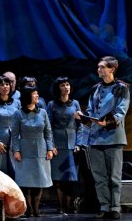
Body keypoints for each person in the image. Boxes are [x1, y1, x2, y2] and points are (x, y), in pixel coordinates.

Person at [82, 56, 130, 219]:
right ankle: (104, 206)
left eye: (102, 67)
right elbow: (90, 109)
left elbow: (121, 111)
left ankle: (115, 206)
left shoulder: (121, 88)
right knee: (99, 176)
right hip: (95, 138)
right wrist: (82, 117)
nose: (99, 70)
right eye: (98, 67)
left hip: (113, 137)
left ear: (112, 69)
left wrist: (107, 122)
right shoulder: (95, 88)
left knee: (114, 176)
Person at [11, 86, 53, 217]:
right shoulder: (18, 113)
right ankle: (28, 209)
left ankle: (36, 208)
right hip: (25, 150)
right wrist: (16, 150)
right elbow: (15, 134)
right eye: (35, 94)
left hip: (40, 148)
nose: (37, 96)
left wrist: (50, 148)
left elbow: (48, 132)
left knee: (39, 180)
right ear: (28, 96)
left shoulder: (43, 112)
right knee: (25, 181)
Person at [46, 76, 85, 214]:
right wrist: (51, 145)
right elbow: (48, 126)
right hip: (57, 144)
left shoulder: (75, 103)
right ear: (58, 88)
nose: (66, 87)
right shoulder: (52, 104)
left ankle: (70, 205)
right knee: (58, 178)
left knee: (70, 178)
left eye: (68, 84)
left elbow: (80, 126)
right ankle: (61, 205)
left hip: (72, 144)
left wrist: (79, 143)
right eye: (63, 85)